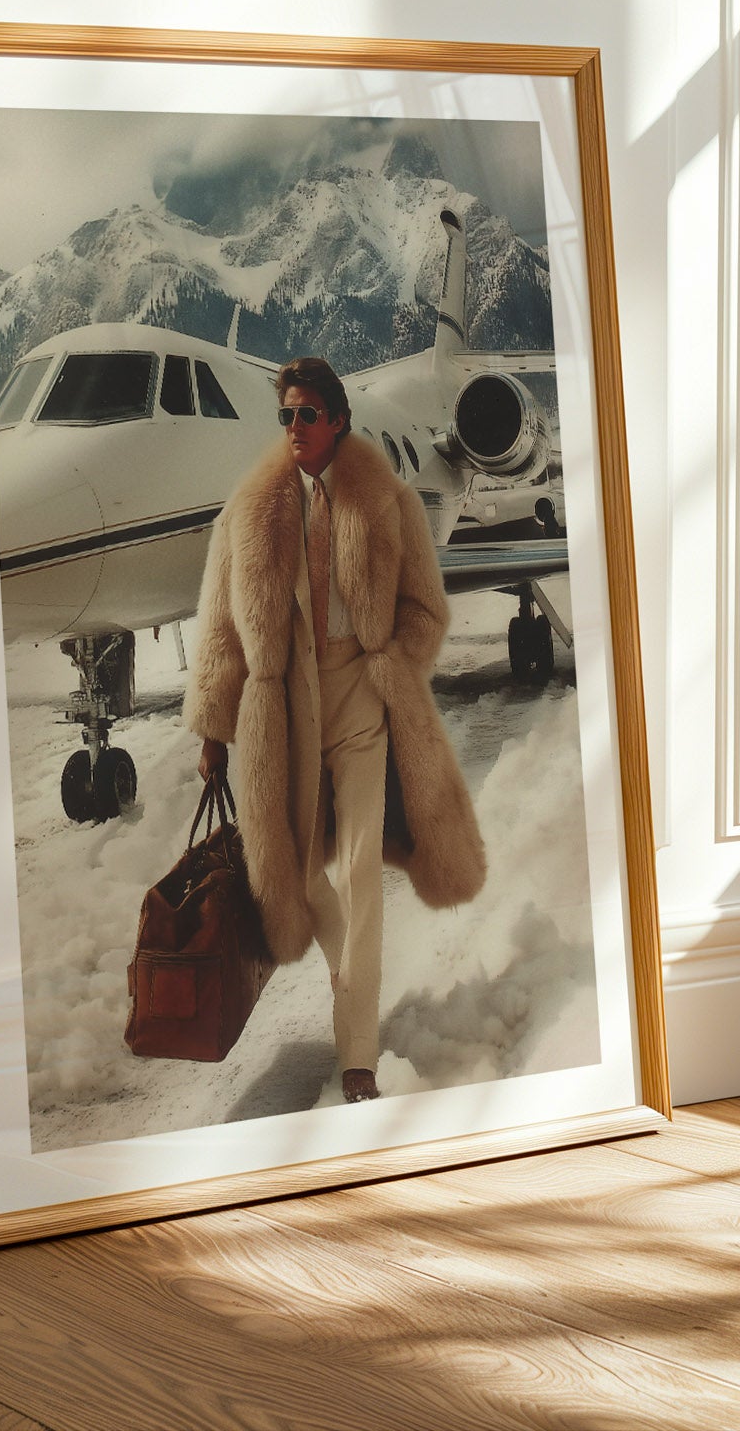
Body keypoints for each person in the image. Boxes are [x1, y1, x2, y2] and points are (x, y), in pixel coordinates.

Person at [185, 357, 485, 1103]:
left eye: (307, 415)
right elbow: (221, 631)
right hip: (281, 714)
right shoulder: (248, 512)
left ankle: (358, 1055)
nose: (294, 428)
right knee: (295, 869)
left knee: (358, 874)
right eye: (285, 415)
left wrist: (391, 663)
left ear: (338, 420)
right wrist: (212, 735)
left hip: (360, 705)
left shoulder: (388, 503)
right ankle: (348, 971)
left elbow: (425, 609)